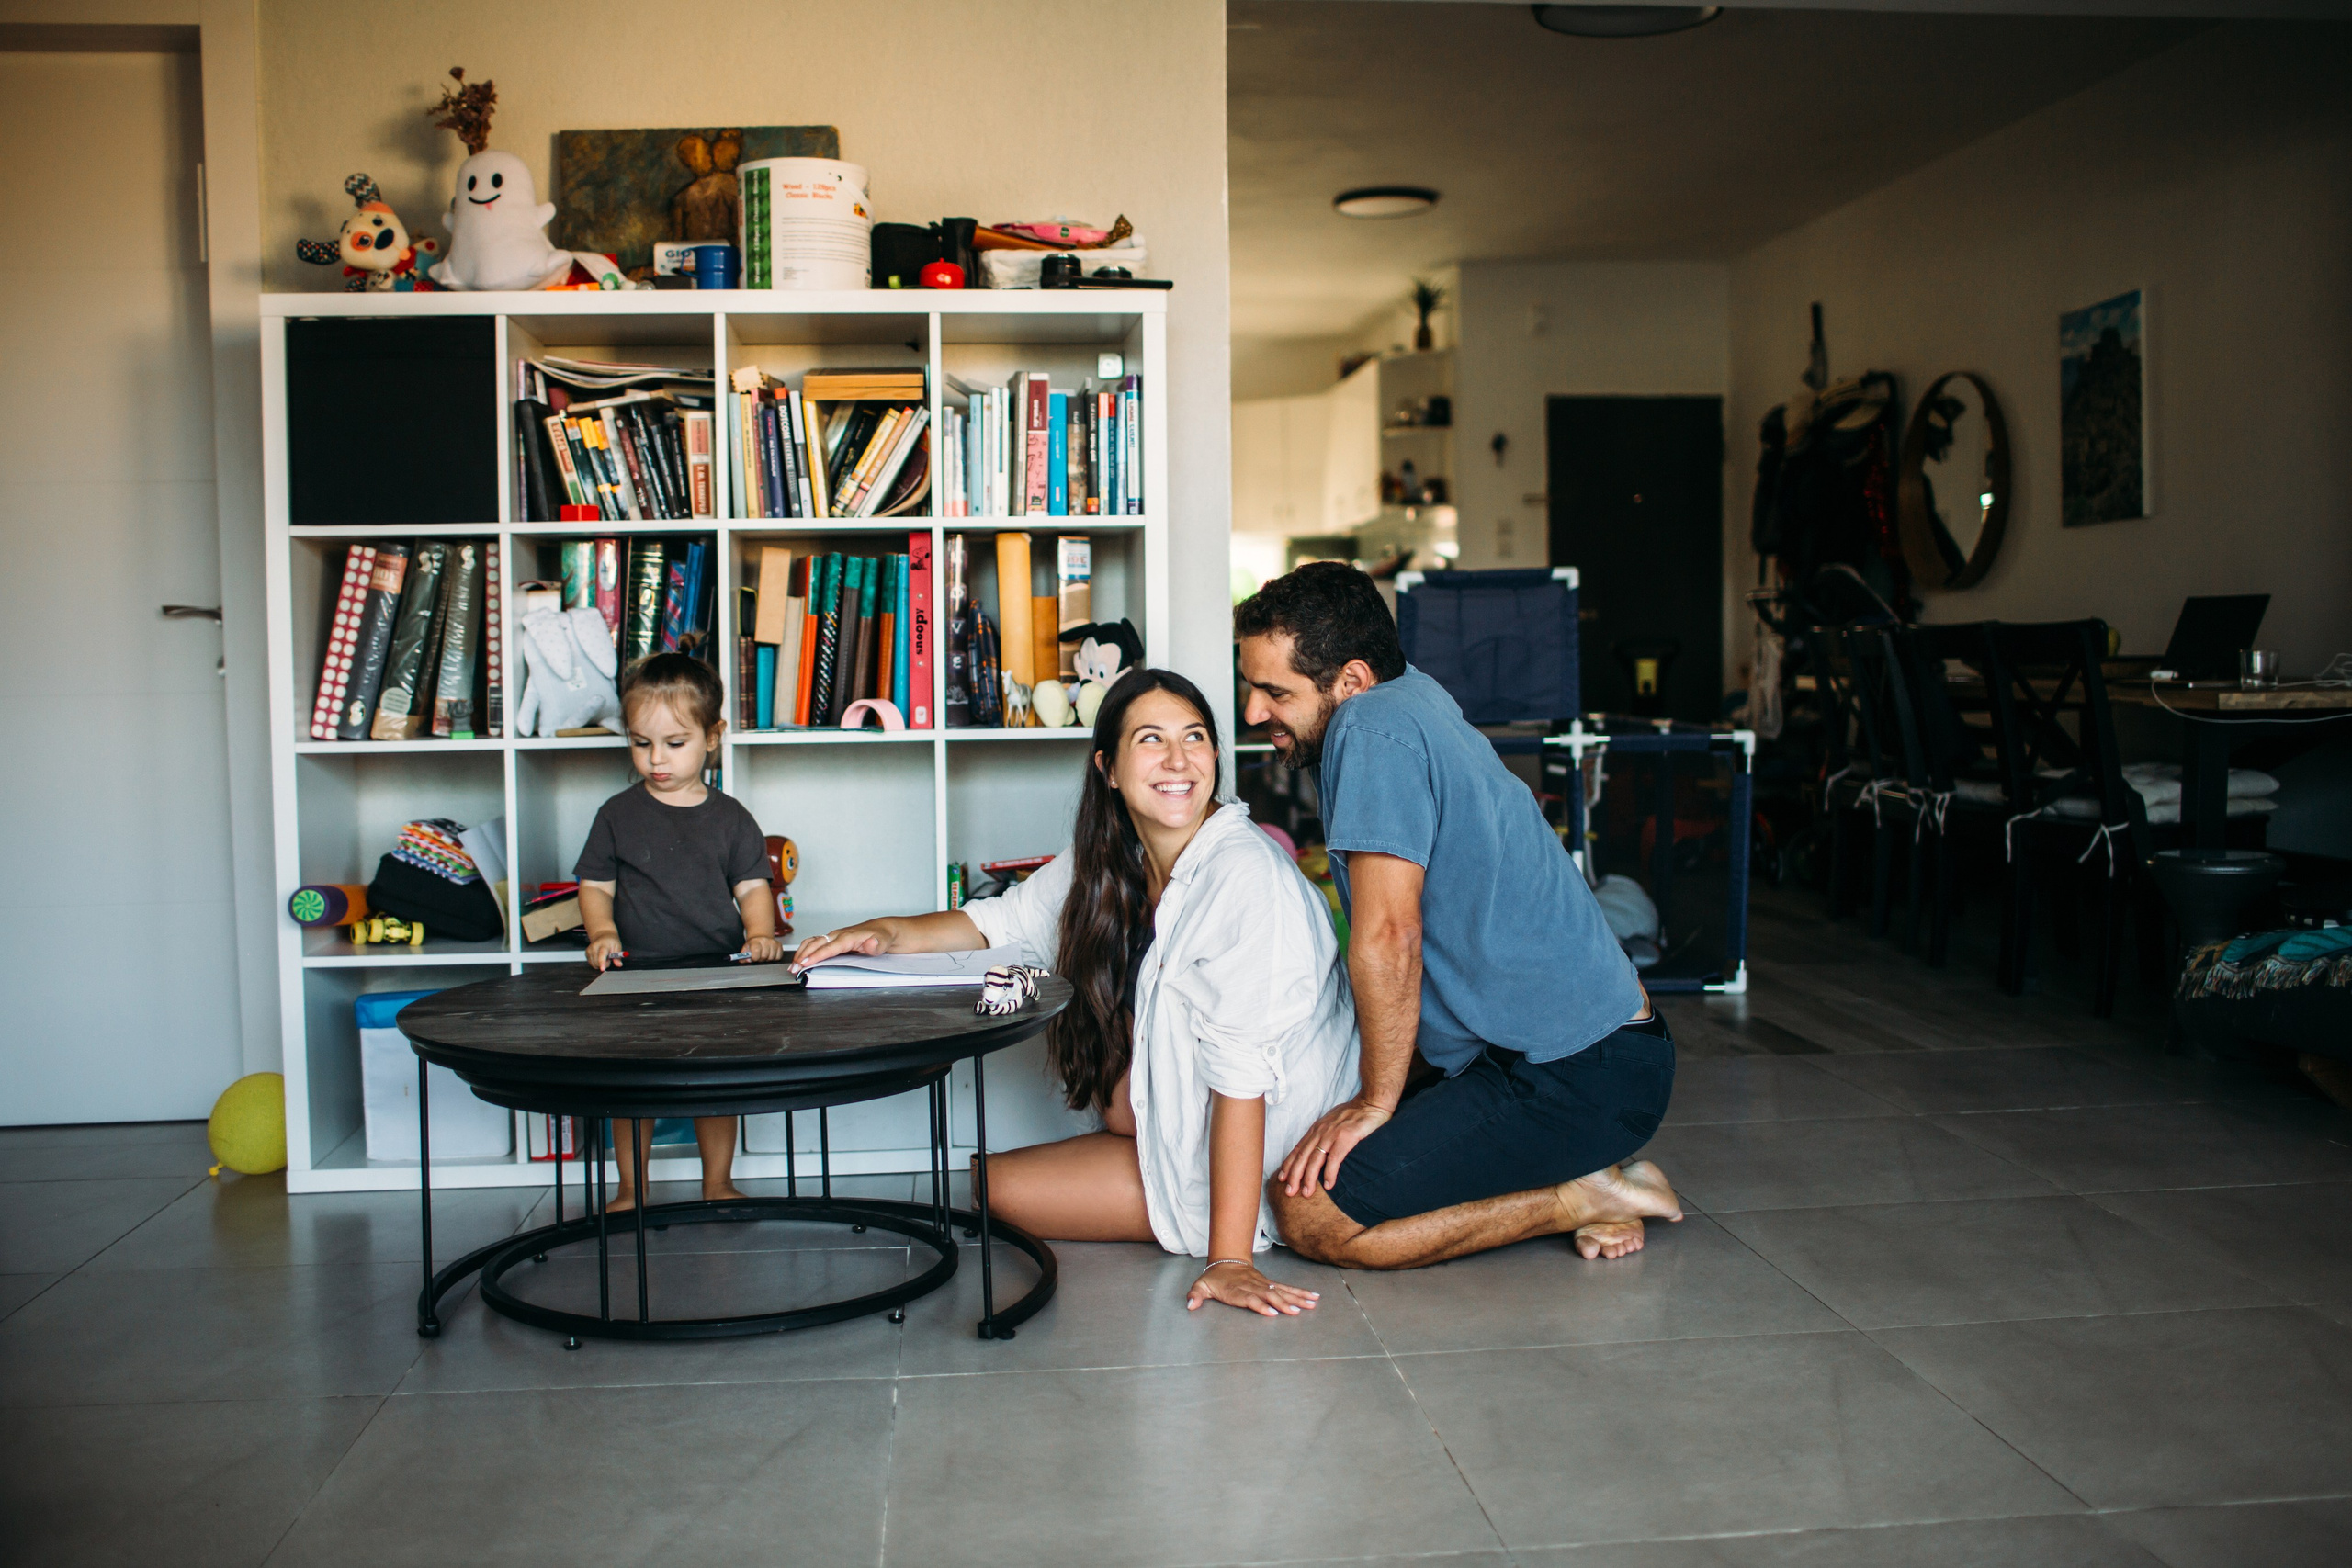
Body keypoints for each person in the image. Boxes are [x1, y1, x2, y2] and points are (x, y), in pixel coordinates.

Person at [791, 669, 1360, 1317]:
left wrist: (1228, 1259)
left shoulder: (1246, 877)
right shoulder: (1108, 856)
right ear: (1108, 768)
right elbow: (1000, 922)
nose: (1178, 760)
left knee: (1014, 1179)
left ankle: (1227, 1223)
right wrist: (884, 931)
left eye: (1194, 737)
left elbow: (1242, 1075)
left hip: (1256, 1151)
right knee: (989, 1184)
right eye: (1151, 739)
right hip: (1167, 1129)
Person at [1234, 561, 1683, 1269]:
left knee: (1309, 1211)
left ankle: (1583, 1194)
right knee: (1307, 1127)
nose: (1255, 712)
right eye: (1249, 686)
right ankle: (1577, 1168)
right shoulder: (1406, 690)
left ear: (1351, 681)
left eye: (1274, 692)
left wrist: (1377, 1101)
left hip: (1580, 1077)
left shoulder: (1371, 729)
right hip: (1597, 1056)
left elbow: (1389, 935)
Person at [576, 652, 785, 1211]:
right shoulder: (617, 814)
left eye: (674, 743)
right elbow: (596, 886)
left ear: (713, 737)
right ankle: (632, 1189)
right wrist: (600, 932)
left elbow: (751, 887)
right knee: (630, 1086)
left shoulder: (731, 817)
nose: (656, 759)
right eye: (641, 743)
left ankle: (717, 1182)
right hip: (634, 974)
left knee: (714, 1085)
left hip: (715, 972)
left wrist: (760, 935)